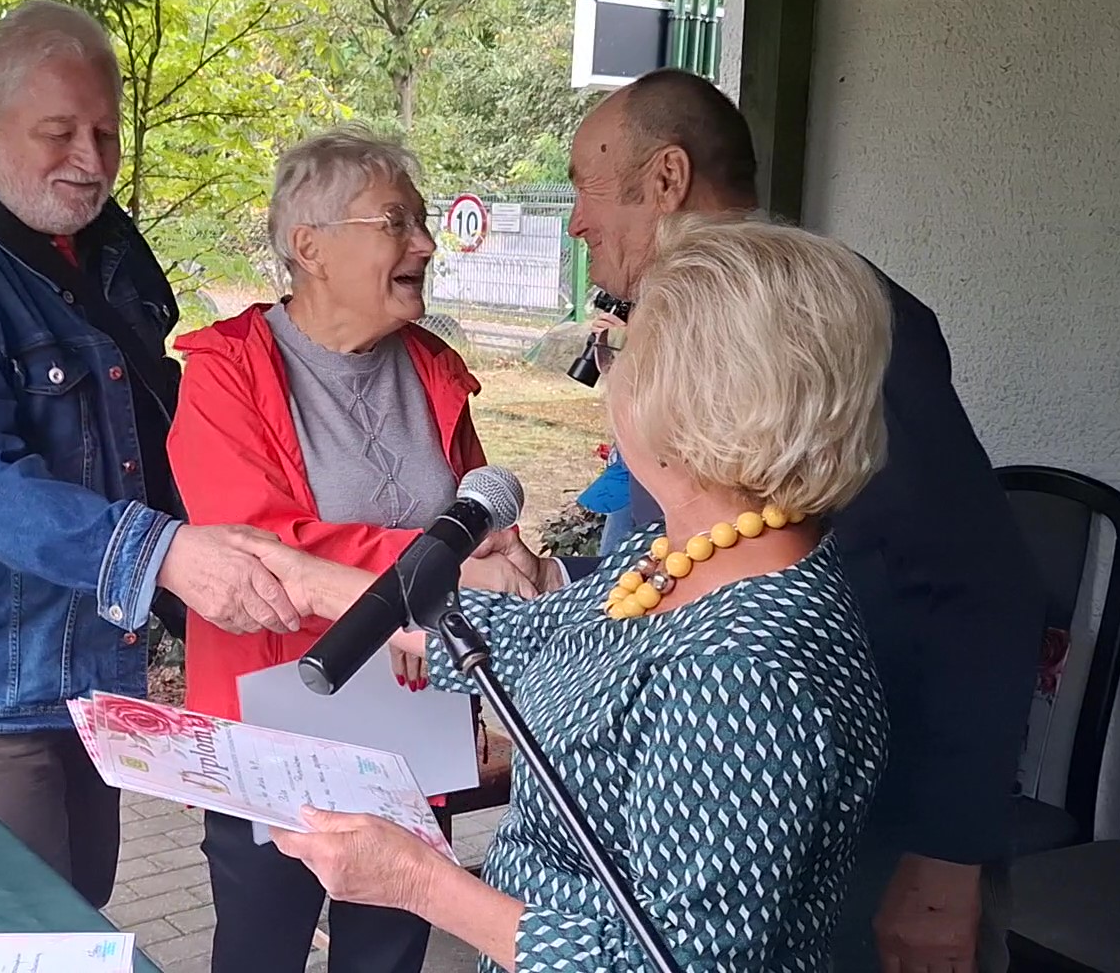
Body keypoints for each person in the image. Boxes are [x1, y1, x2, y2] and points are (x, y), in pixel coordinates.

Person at [258, 214, 896, 970]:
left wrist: (417, 882)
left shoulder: (741, 674)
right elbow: (520, 641)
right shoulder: (688, 553)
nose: (608, 377)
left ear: (690, 397)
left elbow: (673, 964)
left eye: (619, 351)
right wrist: (304, 577)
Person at [559, 69, 1046, 972]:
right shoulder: (693, 326)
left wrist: (944, 865)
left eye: (587, 187)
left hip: (864, 848)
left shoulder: (808, 323)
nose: (577, 221)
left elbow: (983, 589)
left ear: (666, 179)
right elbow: (691, 556)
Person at [0, 0, 305, 909]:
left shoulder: (102, 242)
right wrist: (165, 554)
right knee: (13, 936)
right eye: (58, 133)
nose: (89, 161)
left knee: (80, 908)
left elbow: (149, 416)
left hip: (90, 661)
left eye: (105, 133)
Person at [166, 125, 537, 973]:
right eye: (396, 222)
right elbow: (260, 546)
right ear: (310, 247)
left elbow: (477, 521)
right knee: (260, 950)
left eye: (422, 222)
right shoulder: (225, 370)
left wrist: (499, 560)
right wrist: (440, 569)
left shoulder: (434, 367)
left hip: (412, 715)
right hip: (276, 721)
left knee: (389, 952)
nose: (426, 243)